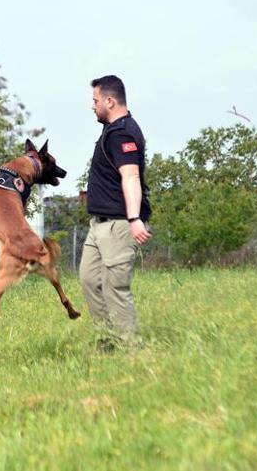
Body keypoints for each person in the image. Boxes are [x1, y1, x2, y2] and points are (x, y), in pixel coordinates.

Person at [79, 75, 151, 347]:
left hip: (118, 225)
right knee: (89, 279)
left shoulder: (122, 132)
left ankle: (131, 348)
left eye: (95, 100)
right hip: (98, 225)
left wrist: (134, 218)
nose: (92, 106)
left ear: (110, 101)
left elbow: (131, 176)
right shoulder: (112, 130)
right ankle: (107, 340)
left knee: (115, 288)